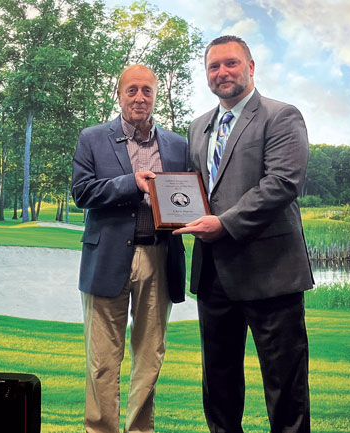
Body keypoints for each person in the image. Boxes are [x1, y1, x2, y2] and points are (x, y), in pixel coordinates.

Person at [174, 35, 313, 432]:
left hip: (271, 274)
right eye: (214, 66)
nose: (222, 73)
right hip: (213, 275)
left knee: (285, 387)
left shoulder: (281, 115)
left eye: (231, 63)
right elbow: (193, 189)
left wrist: (225, 224)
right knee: (218, 385)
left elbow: (282, 183)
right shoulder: (198, 126)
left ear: (251, 67)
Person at [71, 64, 187, 433]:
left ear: (155, 95)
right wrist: (131, 183)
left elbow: (186, 197)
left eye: (147, 91)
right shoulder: (92, 138)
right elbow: (82, 193)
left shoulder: (177, 145)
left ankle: (140, 430)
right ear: (118, 95)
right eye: (132, 90)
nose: (140, 98)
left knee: (150, 357)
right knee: (103, 360)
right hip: (107, 258)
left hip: (160, 256)